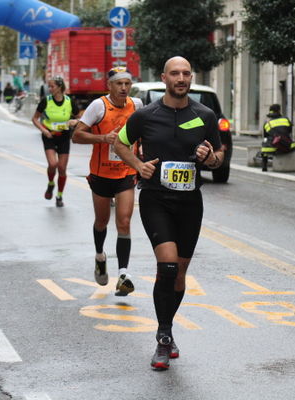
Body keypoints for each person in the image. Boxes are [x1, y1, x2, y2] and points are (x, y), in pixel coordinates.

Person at [114, 56, 223, 371]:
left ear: (191, 77)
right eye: (175, 73)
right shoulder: (146, 116)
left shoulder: (204, 115)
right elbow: (119, 145)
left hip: (190, 203)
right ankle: (163, 338)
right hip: (155, 200)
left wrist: (209, 157)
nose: (181, 78)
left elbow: (218, 157)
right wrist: (138, 165)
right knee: (168, 266)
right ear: (164, 78)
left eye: (186, 73)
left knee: (180, 276)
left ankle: (168, 328)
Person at [72, 67, 143, 296]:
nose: (123, 88)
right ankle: (100, 256)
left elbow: (144, 134)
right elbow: (77, 135)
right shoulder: (98, 106)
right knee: (102, 221)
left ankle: (123, 274)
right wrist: (103, 138)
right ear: (109, 85)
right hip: (101, 175)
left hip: (125, 173)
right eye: (119, 84)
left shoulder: (137, 106)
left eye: (127, 84)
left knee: (123, 221)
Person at [31, 77, 81, 207]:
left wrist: (74, 122)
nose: (50, 89)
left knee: (62, 168)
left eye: (52, 86)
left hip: (64, 136)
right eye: (49, 86)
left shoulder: (69, 101)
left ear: (60, 87)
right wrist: (43, 130)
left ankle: (59, 196)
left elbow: (80, 117)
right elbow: (35, 118)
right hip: (49, 136)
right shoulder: (46, 101)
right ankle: (51, 183)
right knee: (53, 164)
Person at [260, 103, 295, 172]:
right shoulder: (285, 119)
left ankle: (264, 166)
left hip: (274, 148)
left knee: (264, 147)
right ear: (279, 111)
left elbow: (265, 136)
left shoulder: (267, 122)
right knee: (294, 144)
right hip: (288, 146)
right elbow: (289, 131)